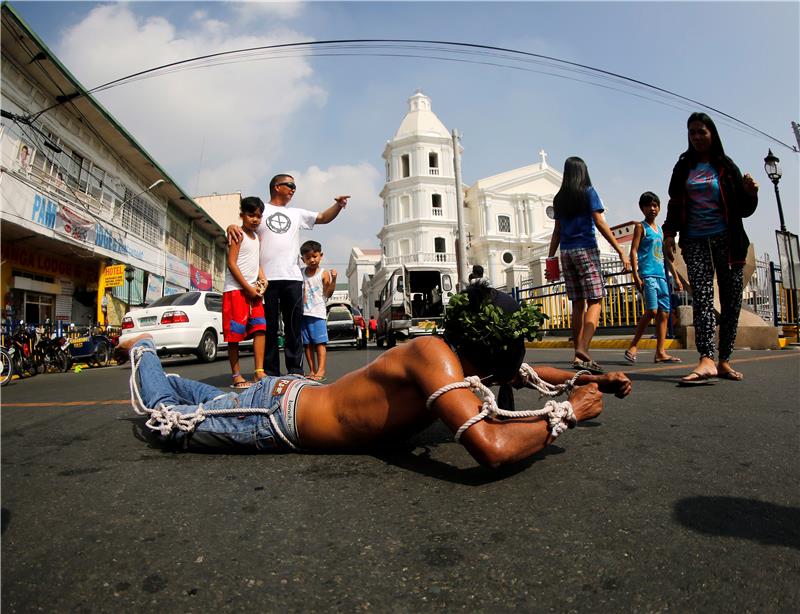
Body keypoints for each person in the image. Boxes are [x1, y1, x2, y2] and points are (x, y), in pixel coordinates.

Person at [125, 283, 632, 468]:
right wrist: (568, 412)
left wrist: (590, 380)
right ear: (482, 350)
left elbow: (526, 374)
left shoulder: (454, 358)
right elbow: (491, 449)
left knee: (196, 401)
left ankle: (182, 384)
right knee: (160, 420)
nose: (510, 374)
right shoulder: (435, 358)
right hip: (272, 417)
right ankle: (146, 349)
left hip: (284, 396)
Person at [663, 113, 759, 385]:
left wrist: (751, 193)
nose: (696, 137)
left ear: (712, 134)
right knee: (703, 299)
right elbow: (674, 202)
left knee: (731, 302)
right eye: (692, 132)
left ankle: (724, 359)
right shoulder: (683, 167)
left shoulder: (726, 166)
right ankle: (706, 359)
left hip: (728, 241)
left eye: (701, 132)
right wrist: (669, 233)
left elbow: (743, 208)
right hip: (694, 241)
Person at [227, 174, 350, 377]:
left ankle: (295, 370)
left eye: (295, 186)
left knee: (293, 326)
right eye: (290, 185)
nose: (294, 189)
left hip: (293, 279)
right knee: (269, 328)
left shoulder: (296, 213)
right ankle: (270, 371)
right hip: (266, 281)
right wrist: (231, 226)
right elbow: (245, 226)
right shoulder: (262, 211)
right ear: (277, 187)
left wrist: (338, 205)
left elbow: (322, 218)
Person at [546, 156, 630, 374]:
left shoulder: (559, 198)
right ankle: (583, 348)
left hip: (566, 253)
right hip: (585, 250)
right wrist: (621, 250)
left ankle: (577, 355)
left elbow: (556, 231)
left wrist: (550, 258)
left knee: (577, 304)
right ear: (583, 171)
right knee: (596, 299)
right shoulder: (588, 191)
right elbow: (600, 222)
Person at [624, 192, 683, 364]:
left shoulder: (661, 231)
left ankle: (660, 352)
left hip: (662, 276)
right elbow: (634, 250)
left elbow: (666, 256)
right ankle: (633, 346)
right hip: (648, 274)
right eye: (648, 205)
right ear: (642, 208)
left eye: (655, 205)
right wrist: (635, 274)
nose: (652, 208)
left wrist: (677, 278)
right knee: (652, 311)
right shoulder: (641, 227)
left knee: (664, 313)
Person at [223, 197, 268, 388]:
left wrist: (262, 279)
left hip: (254, 293)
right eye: (251, 215)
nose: (255, 219)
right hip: (236, 291)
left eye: (258, 216)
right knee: (235, 335)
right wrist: (247, 288)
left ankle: (259, 371)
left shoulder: (257, 237)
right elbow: (231, 264)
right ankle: (236, 375)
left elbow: (255, 262)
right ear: (242, 215)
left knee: (260, 328)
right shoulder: (237, 234)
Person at [300, 240, 336, 382]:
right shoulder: (300, 272)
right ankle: (312, 370)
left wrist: (334, 280)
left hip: (318, 313)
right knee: (307, 344)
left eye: (314, 256)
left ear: (321, 255)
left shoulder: (323, 273)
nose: (312, 260)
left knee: (319, 343)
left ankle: (321, 369)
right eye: (308, 258)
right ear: (303, 259)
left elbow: (328, 293)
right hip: (303, 313)